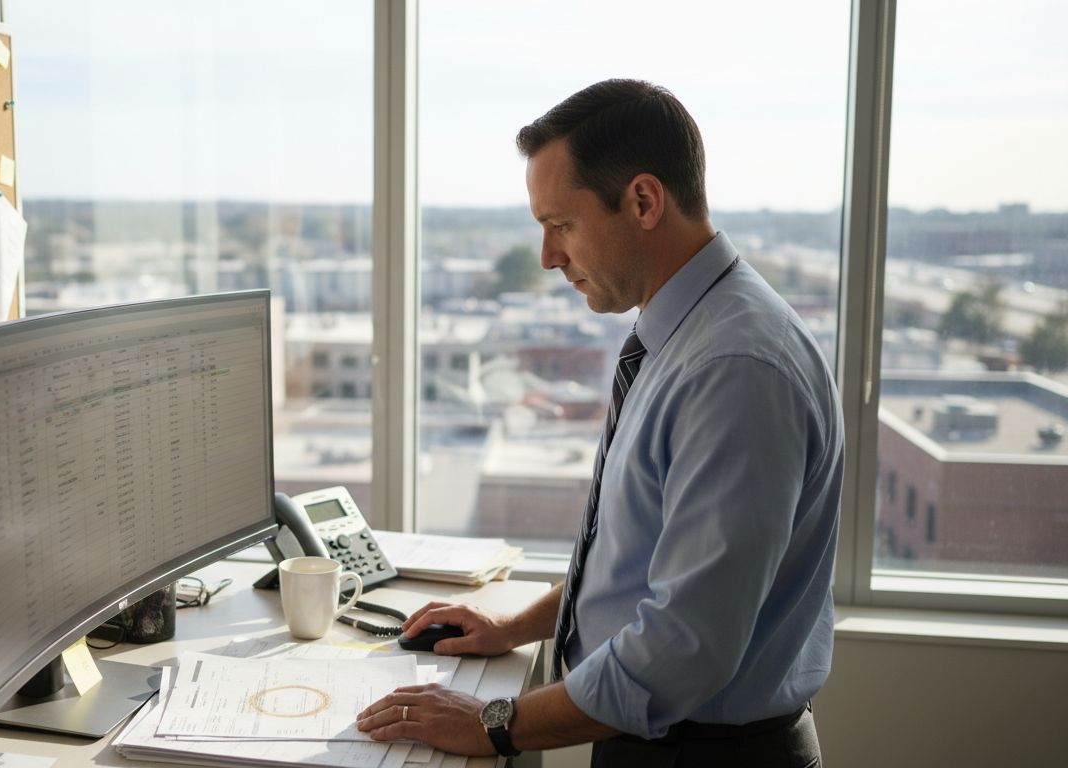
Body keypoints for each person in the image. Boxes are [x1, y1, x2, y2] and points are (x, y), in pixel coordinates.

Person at [356, 79, 844, 767]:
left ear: (643, 201)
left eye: (561, 225)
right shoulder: (684, 335)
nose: (549, 257)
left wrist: (494, 723)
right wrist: (514, 625)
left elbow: (684, 646)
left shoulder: (734, 369)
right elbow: (642, 559)